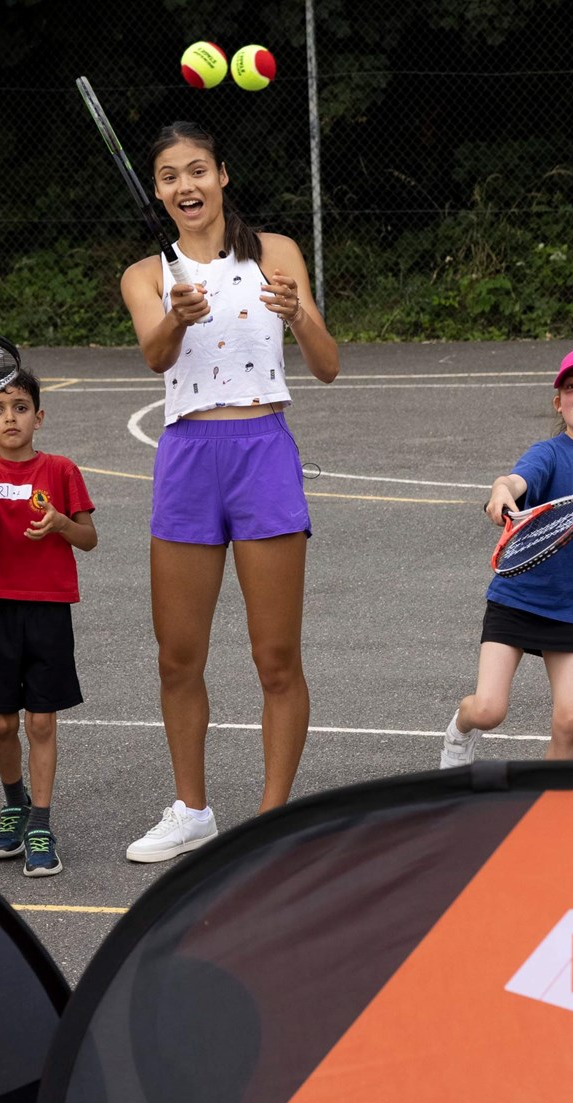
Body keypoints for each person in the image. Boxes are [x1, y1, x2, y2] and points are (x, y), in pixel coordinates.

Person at [118, 119, 341, 864]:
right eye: (171, 175)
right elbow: (156, 358)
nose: (187, 185)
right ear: (158, 189)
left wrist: (297, 311)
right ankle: (192, 810)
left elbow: (327, 364)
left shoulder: (275, 253)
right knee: (178, 658)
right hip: (187, 456)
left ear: (222, 176)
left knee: (275, 657)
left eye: (199, 170)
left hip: (263, 451)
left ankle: (271, 821)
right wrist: (177, 320)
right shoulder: (148, 274)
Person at [440, 346, 573, 766]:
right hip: (519, 597)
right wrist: (500, 492)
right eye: (572, 387)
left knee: (571, 722)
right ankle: (460, 726)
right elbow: (514, 480)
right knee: (489, 710)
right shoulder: (547, 453)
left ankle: (552, 808)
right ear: (559, 402)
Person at [0, 370, 97, 877]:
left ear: (39, 416)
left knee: (40, 720)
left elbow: (89, 538)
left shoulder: (61, 469)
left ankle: (40, 822)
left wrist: (61, 523)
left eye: (18, 407)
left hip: (48, 608)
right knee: (0, 721)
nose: (9, 418)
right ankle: (12, 803)